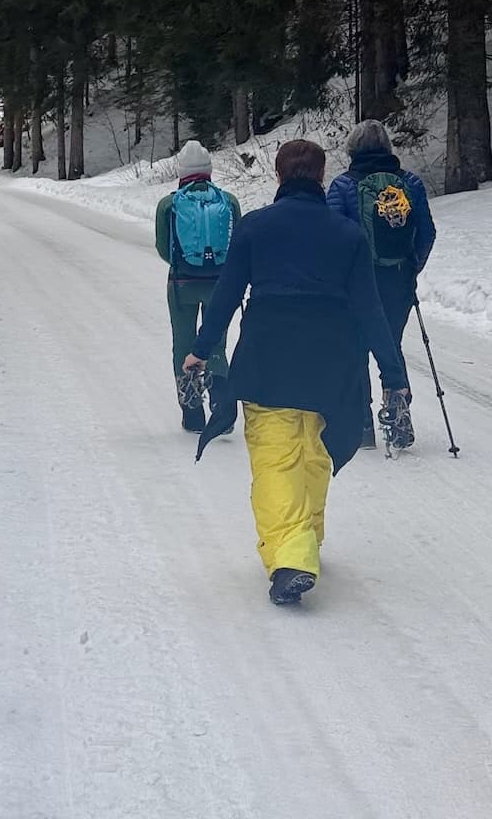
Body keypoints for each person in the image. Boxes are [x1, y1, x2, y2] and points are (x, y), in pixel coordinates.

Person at [183, 139, 407, 606]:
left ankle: (292, 558)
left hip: (269, 360)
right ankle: (306, 540)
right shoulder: (348, 235)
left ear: (280, 177)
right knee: (313, 454)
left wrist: (199, 350)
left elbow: (225, 297)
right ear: (322, 177)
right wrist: (392, 374)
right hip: (332, 364)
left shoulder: (255, 227)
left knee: (275, 459)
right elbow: (371, 312)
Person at [326, 120, 436, 448]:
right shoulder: (410, 183)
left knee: (356, 346)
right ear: (388, 146)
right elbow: (427, 233)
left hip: (356, 282)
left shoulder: (343, 185)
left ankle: (361, 424)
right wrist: (411, 269)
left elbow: (335, 238)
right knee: (390, 344)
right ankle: (398, 411)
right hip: (397, 279)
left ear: (352, 148)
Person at [155, 140, 241, 433]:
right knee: (216, 342)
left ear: (181, 171)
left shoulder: (169, 204)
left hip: (181, 285)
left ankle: (192, 412)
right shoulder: (228, 202)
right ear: (209, 170)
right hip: (220, 284)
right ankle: (222, 408)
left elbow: (163, 248)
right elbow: (237, 244)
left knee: (184, 342)